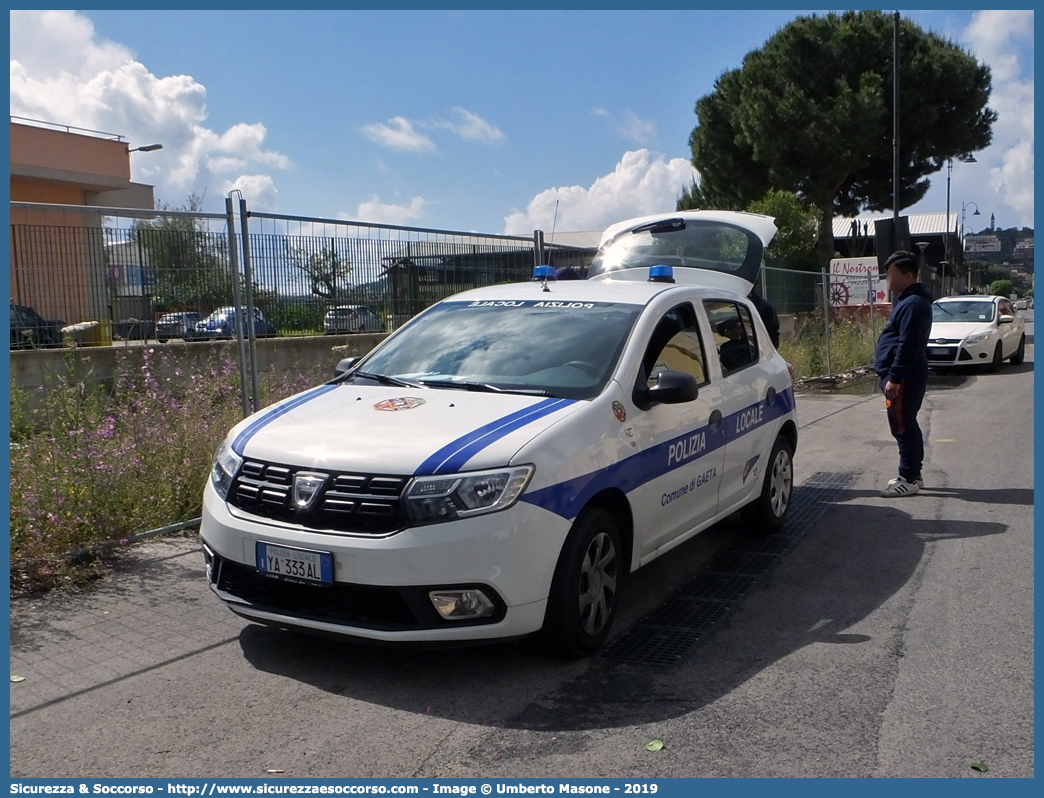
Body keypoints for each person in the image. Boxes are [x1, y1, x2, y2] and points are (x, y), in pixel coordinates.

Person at [873, 250, 933, 497]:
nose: (888, 280)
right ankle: (913, 473)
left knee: (903, 425)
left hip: (904, 378)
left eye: (891, 275)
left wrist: (896, 378)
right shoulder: (910, 301)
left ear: (908, 276)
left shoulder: (914, 304)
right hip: (903, 375)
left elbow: (908, 344)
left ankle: (907, 478)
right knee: (906, 423)